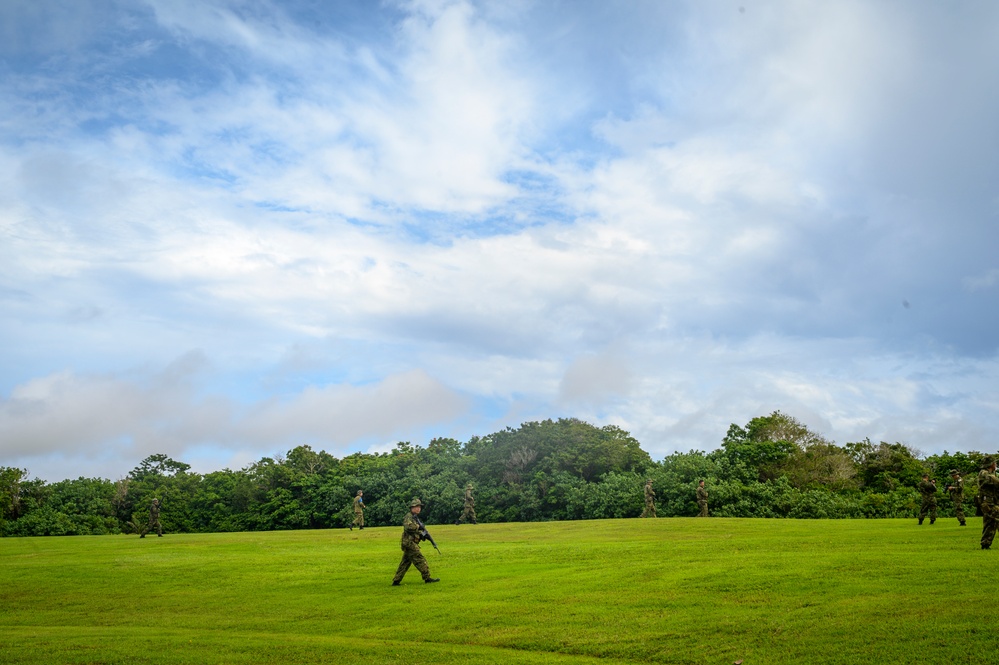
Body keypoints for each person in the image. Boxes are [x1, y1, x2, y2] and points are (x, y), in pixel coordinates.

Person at [392, 498, 439, 585]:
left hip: (410, 543)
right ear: (412, 507)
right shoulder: (409, 517)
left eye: (419, 507)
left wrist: (424, 535)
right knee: (420, 559)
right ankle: (427, 578)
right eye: (416, 507)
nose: (418, 509)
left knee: (405, 562)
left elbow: (417, 532)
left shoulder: (415, 518)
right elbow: (408, 527)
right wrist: (418, 527)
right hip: (409, 543)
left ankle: (396, 580)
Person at [978, 456, 999, 550]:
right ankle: (985, 543)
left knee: (991, 522)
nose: (996, 465)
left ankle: (985, 543)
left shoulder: (991, 473)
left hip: (992, 501)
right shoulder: (984, 473)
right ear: (991, 464)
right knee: (992, 521)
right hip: (988, 502)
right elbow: (995, 482)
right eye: (994, 463)